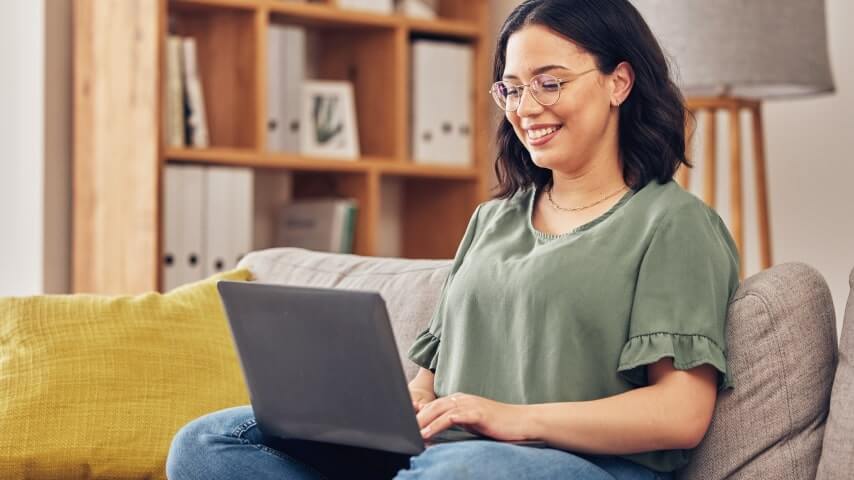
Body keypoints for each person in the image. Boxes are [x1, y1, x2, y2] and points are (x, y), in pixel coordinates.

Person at [166, 0, 740, 478]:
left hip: (579, 464)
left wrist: (516, 419)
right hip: (445, 456)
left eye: (549, 83)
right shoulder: (493, 222)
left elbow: (680, 412)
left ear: (619, 81)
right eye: (511, 89)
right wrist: (391, 413)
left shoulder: (673, 224)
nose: (525, 108)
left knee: (453, 473)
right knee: (207, 444)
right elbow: (429, 385)